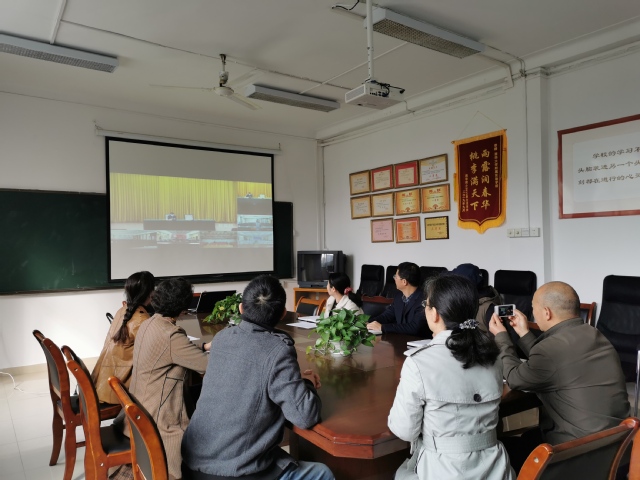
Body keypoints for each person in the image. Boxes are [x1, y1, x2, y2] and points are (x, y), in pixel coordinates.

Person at [182, 275, 334, 480]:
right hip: (232, 471)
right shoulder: (278, 350)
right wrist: (306, 384)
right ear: (282, 313)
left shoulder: (222, 338)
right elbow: (305, 417)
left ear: (241, 309)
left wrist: (292, 378)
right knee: (323, 473)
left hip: (193, 460)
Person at [488, 281, 630, 471]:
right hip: (617, 448)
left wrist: (501, 337)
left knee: (499, 451)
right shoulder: (595, 335)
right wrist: (524, 333)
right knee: (529, 437)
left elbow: (514, 378)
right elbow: (553, 363)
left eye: (534, 308)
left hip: (579, 455)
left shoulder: (549, 351)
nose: (533, 314)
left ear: (547, 312)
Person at [389, 274, 515, 480]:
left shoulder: (419, 362)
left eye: (426, 305)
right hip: (496, 469)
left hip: (442, 470)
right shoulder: (493, 355)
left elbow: (405, 431)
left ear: (435, 314)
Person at [127, 277, 211, 480]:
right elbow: (208, 366)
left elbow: (169, 351)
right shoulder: (172, 335)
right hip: (158, 418)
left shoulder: (149, 323)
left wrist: (201, 347)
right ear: (183, 308)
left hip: (141, 406)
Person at [91, 271, 155, 405]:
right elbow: (155, 353)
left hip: (102, 383)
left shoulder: (122, 311)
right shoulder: (141, 319)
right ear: (150, 293)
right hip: (118, 390)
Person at [367, 262, 430, 337]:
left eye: (395, 276)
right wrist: (368, 322)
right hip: (400, 339)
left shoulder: (424, 300)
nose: (394, 279)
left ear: (404, 282)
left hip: (418, 341)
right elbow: (387, 316)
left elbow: (414, 327)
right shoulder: (399, 296)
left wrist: (382, 327)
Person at [450, 263, 502, 331]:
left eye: (456, 284)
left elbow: (498, 336)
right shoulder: (462, 303)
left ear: (465, 287)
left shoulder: (488, 309)